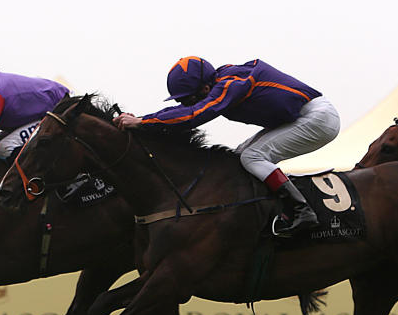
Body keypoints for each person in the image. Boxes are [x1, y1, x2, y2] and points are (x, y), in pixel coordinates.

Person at [115, 57, 340, 236]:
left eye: (187, 98)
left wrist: (143, 122)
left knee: (252, 157)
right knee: (240, 156)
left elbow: (195, 115)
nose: (185, 103)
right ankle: (268, 211)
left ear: (204, 88)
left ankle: (303, 210)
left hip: (318, 118)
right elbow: (188, 111)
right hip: (298, 118)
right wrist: (143, 120)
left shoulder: (231, 83)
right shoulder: (219, 83)